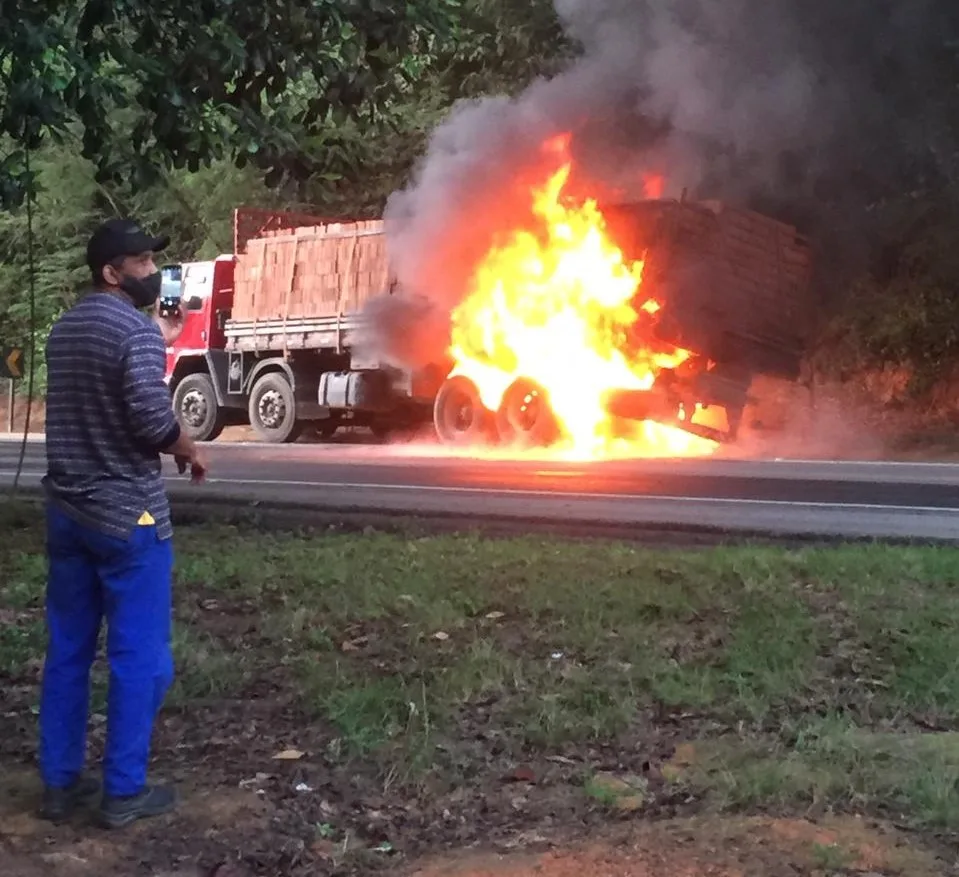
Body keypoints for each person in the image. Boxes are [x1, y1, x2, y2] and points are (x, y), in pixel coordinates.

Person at [37, 218, 206, 829]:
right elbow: (150, 419)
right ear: (112, 273)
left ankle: (59, 786)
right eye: (138, 263)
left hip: (67, 514)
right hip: (126, 520)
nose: (149, 272)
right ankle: (123, 791)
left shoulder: (64, 330)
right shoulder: (133, 331)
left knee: (69, 652)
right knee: (140, 658)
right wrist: (187, 447)